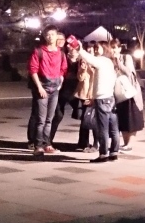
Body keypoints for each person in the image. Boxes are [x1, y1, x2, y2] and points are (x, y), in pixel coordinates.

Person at [27, 27, 68, 156]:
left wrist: (60, 80)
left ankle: (47, 144)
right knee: (41, 119)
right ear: (45, 36)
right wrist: (39, 87)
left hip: (54, 88)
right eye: (48, 35)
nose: (50, 37)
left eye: (53, 34)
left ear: (57, 36)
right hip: (43, 86)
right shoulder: (39, 51)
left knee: (49, 119)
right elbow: (33, 70)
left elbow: (63, 69)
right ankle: (38, 146)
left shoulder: (61, 53)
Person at [78, 43, 121, 163]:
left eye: (98, 48)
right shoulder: (110, 62)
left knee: (103, 128)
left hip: (102, 98)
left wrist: (80, 49)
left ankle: (103, 154)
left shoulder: (102, 61)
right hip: (110, 97)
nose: (96, 50)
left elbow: (89, 59)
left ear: (105, 49)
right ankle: (114, 152)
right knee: (114, 127)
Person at [110, 40, 145, 150]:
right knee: (122, 119)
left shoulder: (126, 57)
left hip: (129, 93)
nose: (113, 50)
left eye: (115, 47)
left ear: (119, 48)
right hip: (118, 93)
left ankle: (129, 144)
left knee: (131, 119)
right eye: (111, 48)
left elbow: (129, 72)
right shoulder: (108, 60)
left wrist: (118, 62)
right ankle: (125, 143)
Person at [49, 34, 81, 145]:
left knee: (84, 115)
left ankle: (84, 142)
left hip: (76, 92)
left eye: (73, 45)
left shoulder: (82, 59)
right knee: (58, 115)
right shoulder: (62, 56)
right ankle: (47, 141)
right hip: (62, 90)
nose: (70, 47)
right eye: (69, 45)